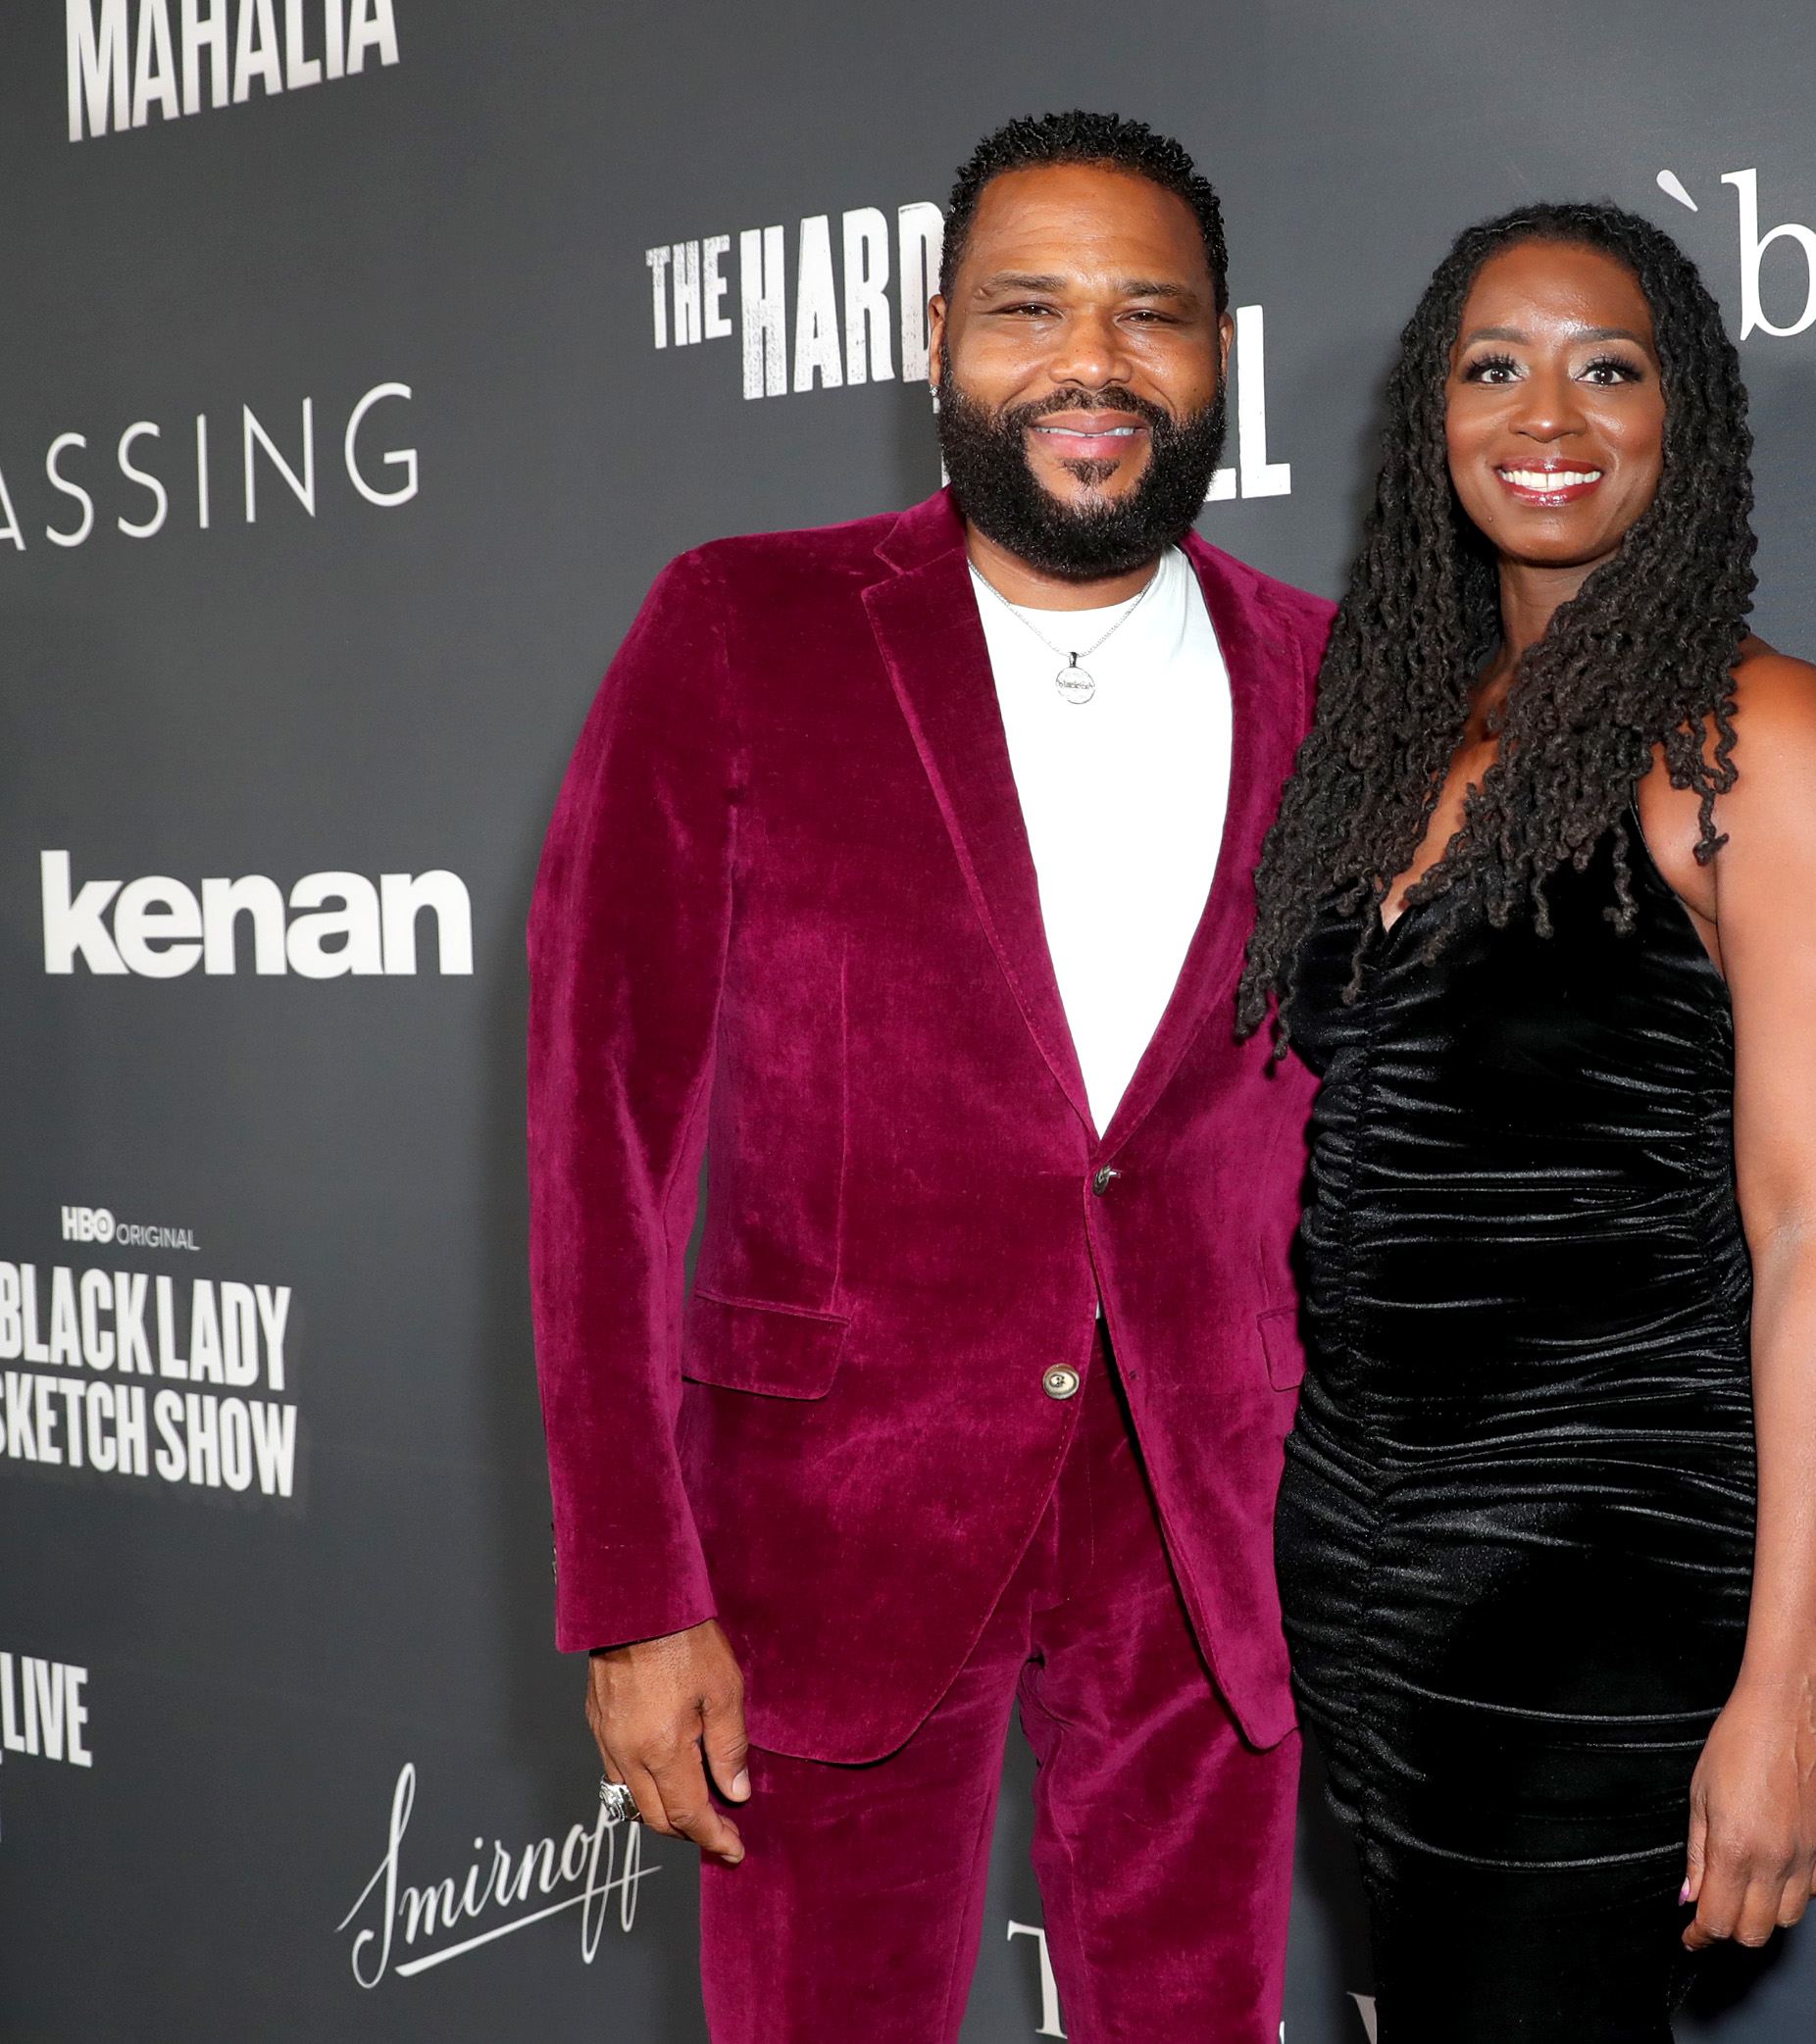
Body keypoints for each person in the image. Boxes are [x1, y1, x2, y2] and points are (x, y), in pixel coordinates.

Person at [530, 112, 1333, 2043]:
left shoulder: (1327, 675)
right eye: (1027, 308)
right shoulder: (743, 626)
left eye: (1148, 313)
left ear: (1219, 352)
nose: (1090, 361)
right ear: (933, 340)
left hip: (1215, 1531)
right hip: (832, 1518)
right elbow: (598, 1126)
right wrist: (634, 1589)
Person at [1236, 201, 1816, 2040]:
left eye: (1604, 367)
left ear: (1676, 417)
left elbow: (1815, 1241)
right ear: (1435, 419)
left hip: (1598, 1558)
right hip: (1356, 1543)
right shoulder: (1398, 734)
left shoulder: (1763, 742)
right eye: (1494, 368)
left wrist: (1788, 1691)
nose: (1544, 414)